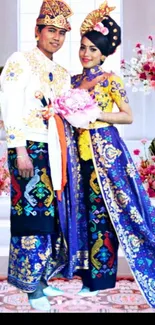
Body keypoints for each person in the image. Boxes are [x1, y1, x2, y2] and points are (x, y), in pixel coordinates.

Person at [70, 1, 155, 308]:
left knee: (105, 214)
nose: (86, 54)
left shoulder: (111, 81)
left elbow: (128, 116)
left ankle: (103, 277)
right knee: (83, 212)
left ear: (104, 54)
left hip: (106, 156)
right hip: (78, 157)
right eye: (83, 47)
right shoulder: (73, 82)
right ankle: (85, 276)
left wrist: (97, 113)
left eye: (93, 49)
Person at [0, 0, 78, 312]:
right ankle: (29, 286)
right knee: (30, 219)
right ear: (37, 31)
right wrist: (19, 149)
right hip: (28, 148)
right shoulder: (19, 60)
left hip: (55, 150)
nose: (56, 37)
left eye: (61, 33)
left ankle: (42, 279)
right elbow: (10, 105)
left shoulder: (62, 72)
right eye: (51, 31)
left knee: (50, 220)